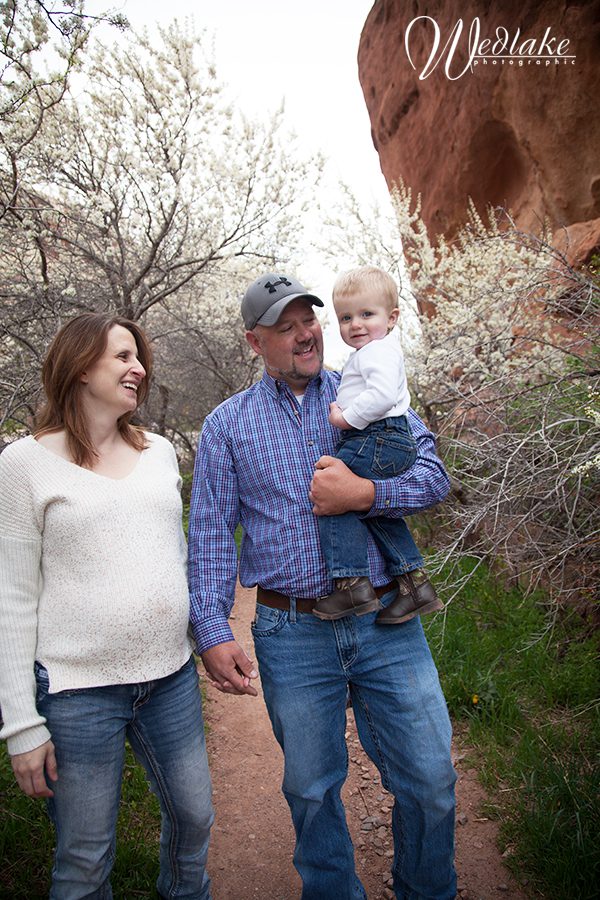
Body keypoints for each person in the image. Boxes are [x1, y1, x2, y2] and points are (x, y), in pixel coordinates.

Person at [188, 273, 457, 900]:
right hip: (292, 630)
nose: (307, 334)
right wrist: (210, 629)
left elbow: (434, 477)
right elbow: (207, 533)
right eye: (287, 327)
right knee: (311, 789)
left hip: (389, 621)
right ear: (256, 342)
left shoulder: (370, 391)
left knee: (430, 781)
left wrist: (367, 494)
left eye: (309, 319)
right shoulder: (227, 425)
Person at [0, 313, 213, 900]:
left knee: (195, 820)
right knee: (85, 857)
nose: (138, 368)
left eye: (138, 356)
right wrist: (21, 725)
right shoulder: (22, 464)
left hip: (169, 678)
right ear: (78, 365)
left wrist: (207, 635)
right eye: (122, 356)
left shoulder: (161, 452)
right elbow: (12, 599)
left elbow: (177, 556)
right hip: (77, 694)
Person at [313, 265, 444, 624]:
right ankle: (415, 584)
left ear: (392, 318)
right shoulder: (370, 353)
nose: (355, 324)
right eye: (345, 317)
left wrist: (345, 418)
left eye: (366, 314)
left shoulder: (376, 352)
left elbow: (383, 395)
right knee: (370, 506)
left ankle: (352, 584)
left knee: (331, 490)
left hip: (378, 435)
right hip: (385, 438)